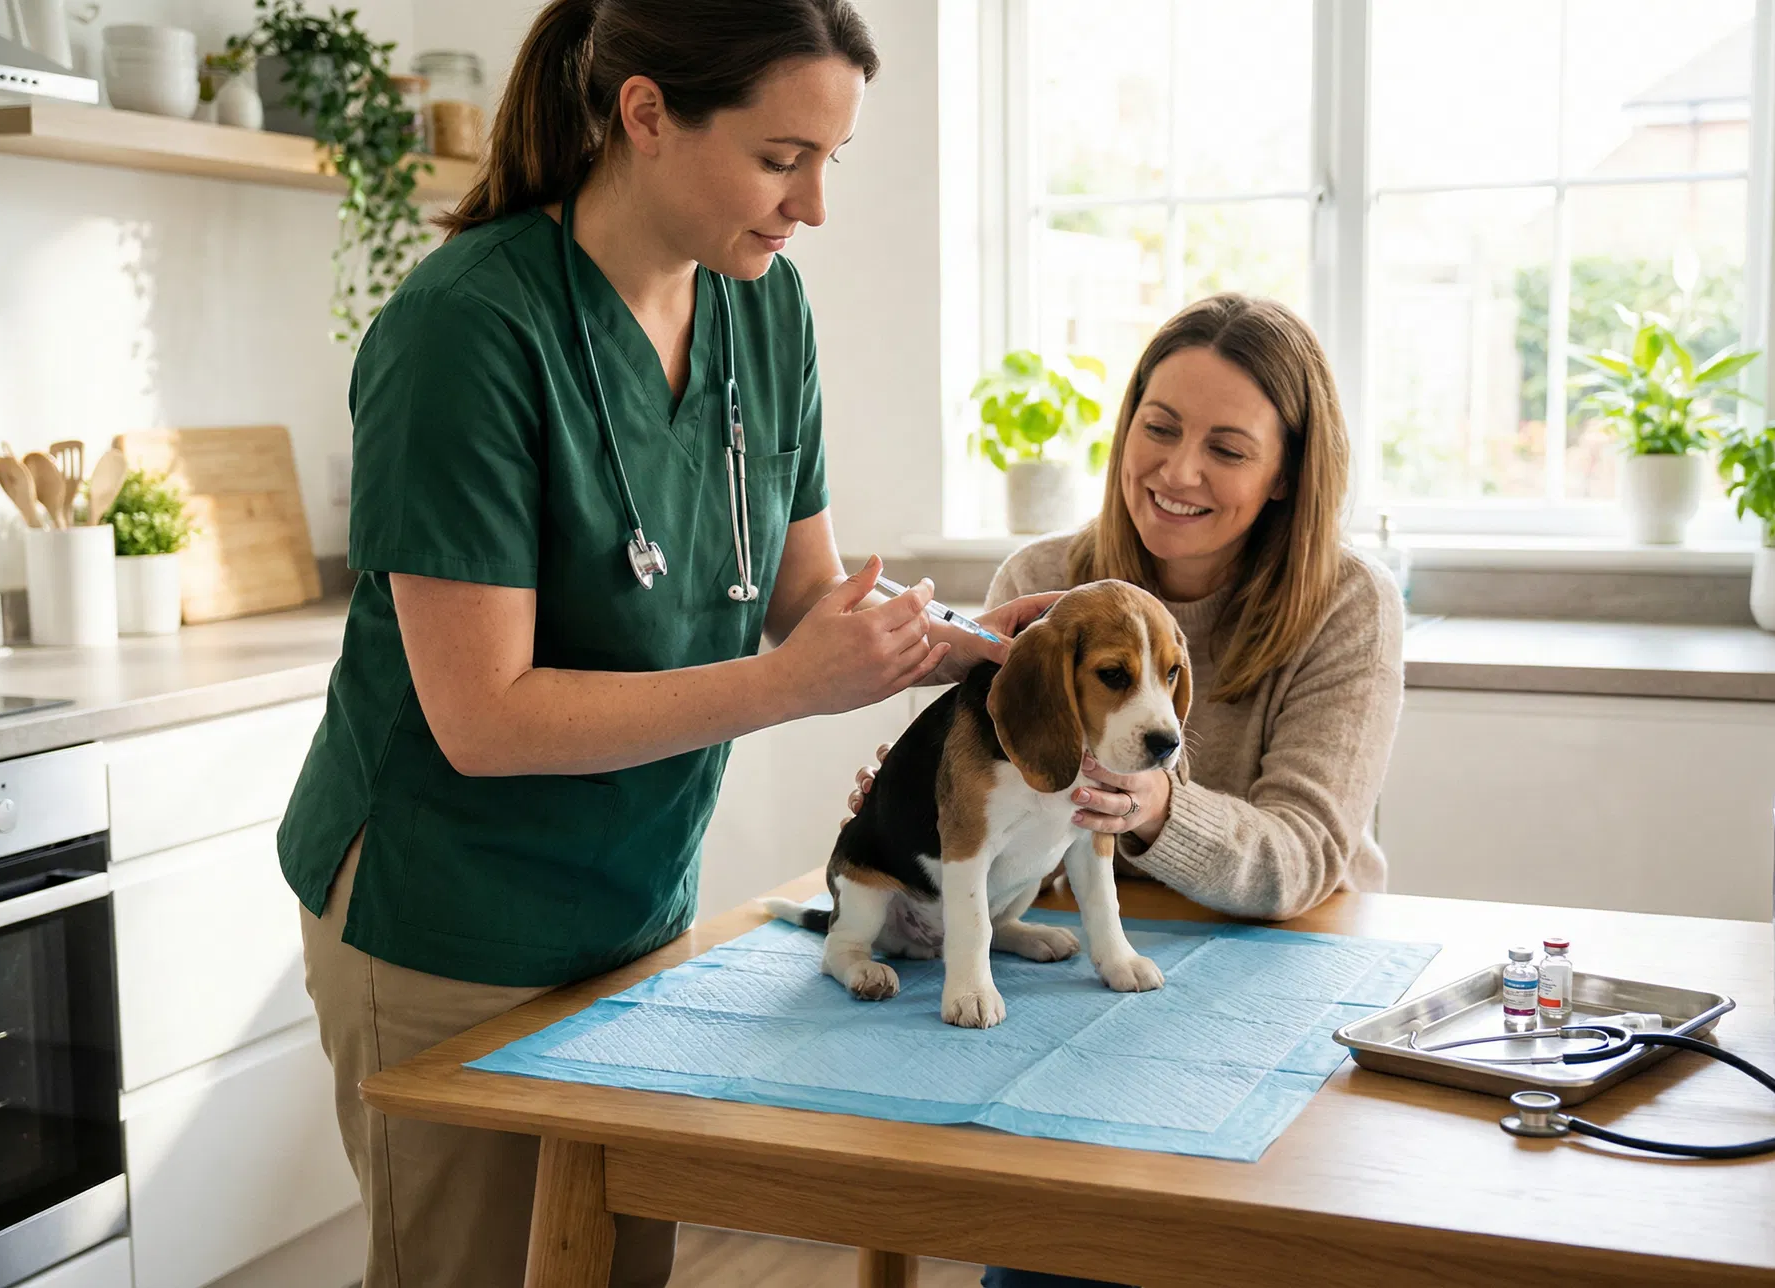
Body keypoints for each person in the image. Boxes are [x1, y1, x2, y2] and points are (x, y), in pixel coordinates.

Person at [278, 3, 1057, 1285]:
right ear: (646, 115)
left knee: (610, 1266)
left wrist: (972, 644)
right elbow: (483, 719)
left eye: (830, 161)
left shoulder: (766, 306)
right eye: (779, 157)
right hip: (443, 916)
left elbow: (803, 593)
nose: (811, 204)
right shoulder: (464, 329)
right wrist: (782, 688)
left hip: (634, 902)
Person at [845, 293, 1406, 1288]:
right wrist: (939, 809)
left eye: (1229, 448)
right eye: (1159, 426)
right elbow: (998, 777)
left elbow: (1309, 852)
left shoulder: (1347, 606)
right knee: (1056, 1262)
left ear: (1286, 477)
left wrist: (1157, 807)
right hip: (1073, 999)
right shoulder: (1046, 580)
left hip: (1285, 979)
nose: (1178, 470)